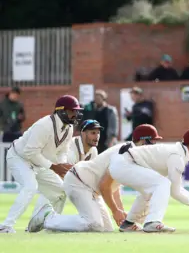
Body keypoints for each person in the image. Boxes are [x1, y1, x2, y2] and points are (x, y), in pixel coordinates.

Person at [26, 125, 163, 233]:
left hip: (91, 188)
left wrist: (123, 216)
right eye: (152, 141)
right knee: (94, 224)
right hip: (78, 181)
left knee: (106, 229)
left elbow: (114, 187)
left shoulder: (135, 155)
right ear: (142, 140)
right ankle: (48, 217)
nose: (154, 146)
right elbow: (105, 185)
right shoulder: (126, 153)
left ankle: (54, 228)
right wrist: (115, 211)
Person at [106, 128, 189, 232]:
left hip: (121, 164)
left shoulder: (178, 154)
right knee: (162, 183)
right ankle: (153, 222)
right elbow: (175, 192)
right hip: (124, 164)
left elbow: (176, 188)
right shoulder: (177, 156)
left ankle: (128, 223)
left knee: (152, 190)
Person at [0, 95, 82, 234]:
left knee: (61, 191)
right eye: (72, 111)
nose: (75, 114)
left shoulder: (68, 128)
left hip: (41, 162)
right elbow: (29, 152)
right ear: (61, 111)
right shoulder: (44, 125)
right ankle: (5, 226)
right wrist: (53, 167)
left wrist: (61, 166)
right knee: (30, 186)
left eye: (76, 111)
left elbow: (63, 151)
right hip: (20, 158)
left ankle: (43, 227)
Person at [28, 119, 102, 222]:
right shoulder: (72, 149)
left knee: (61, 193)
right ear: (83, 133)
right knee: (57, 191)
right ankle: (37, 222)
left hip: (57, 172)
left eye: (98, 133)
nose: (97, 136)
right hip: (44, 167)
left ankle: (46, 222)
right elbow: (65, 174)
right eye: (93, 133)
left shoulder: (93, 150)